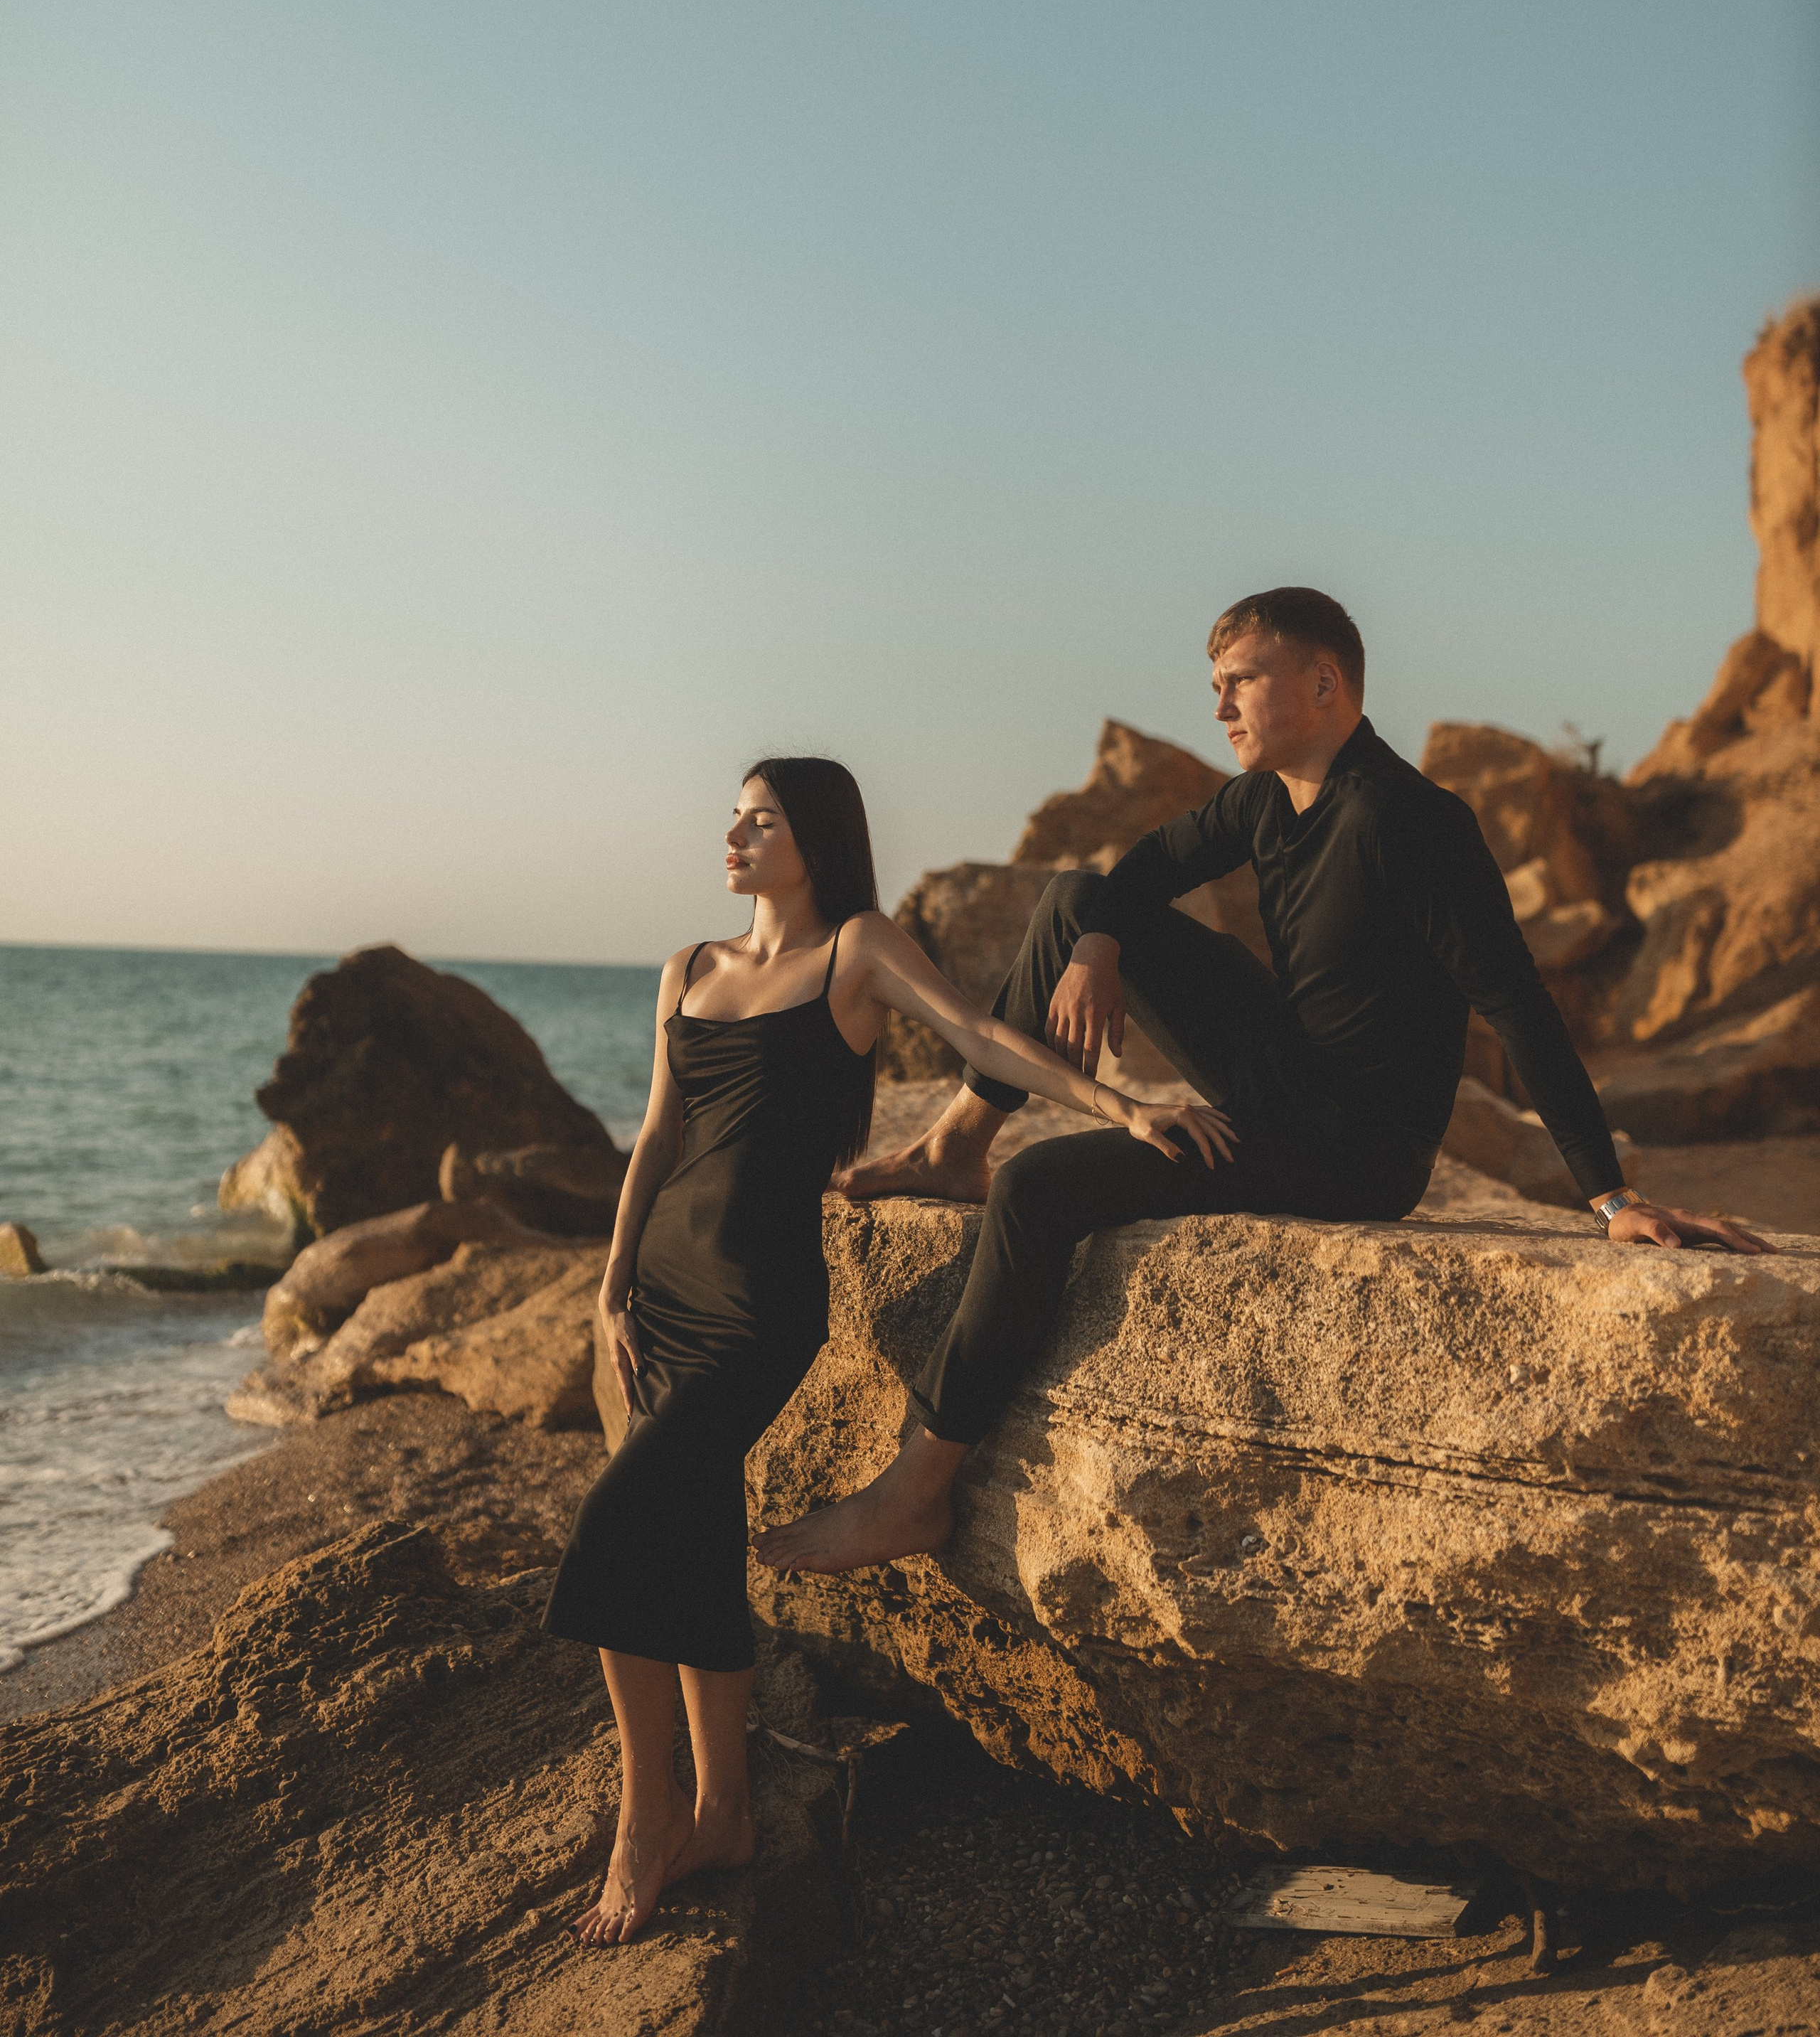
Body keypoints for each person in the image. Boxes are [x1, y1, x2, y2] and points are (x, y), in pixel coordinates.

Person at [754, 588, 1770, 1582]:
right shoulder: (1265, 798)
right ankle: (955, 1145)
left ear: (1325, 684)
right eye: (1216, 685)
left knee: (1038, 1189)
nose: (1220, 707)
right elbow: (1144, 866)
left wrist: (1612, 1197)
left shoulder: (1410, 821)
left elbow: (1519, 1006)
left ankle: (916, 1491)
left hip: (1350, 1148)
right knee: (1073, 900)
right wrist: (1098, 945)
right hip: (1284, 1072)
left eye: (1241, 681)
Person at [545, 752, 1232, 1947]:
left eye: (761, 821)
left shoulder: (855, 953)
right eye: (734, 818)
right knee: (691, 1535)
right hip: (662, 1288)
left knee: (613, 1532)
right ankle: (723, 1812)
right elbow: (658, 1136)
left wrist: (1122, 1106)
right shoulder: (689, 968)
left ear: (815, 839)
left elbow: (982, 1034)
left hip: (757, 1303)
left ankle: (644, 1820)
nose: (735, 837)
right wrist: (611, 1284)